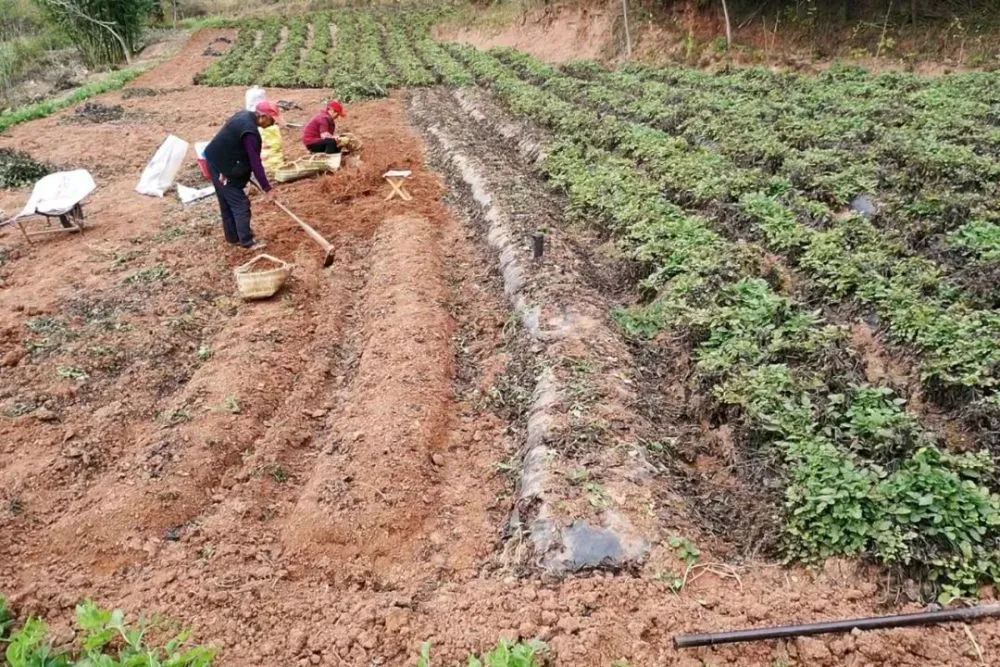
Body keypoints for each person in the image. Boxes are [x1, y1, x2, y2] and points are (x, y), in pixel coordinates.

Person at [203, 100, 284, 250]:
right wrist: (267, 188)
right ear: (264, 117)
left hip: (215, 159)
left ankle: (233, 237)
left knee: (227, 202)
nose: (273, 124)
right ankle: (247, 241)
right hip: (222, 167)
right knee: (240, 204)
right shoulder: (250, 132)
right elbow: (255, 162)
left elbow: (241, 151)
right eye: (272, 120)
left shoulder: (244, 116)